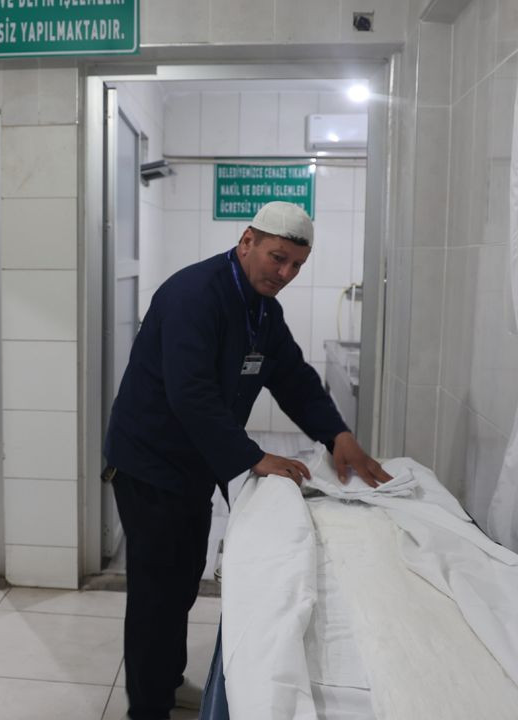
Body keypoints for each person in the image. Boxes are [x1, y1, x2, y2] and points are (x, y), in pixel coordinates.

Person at [103, 201, 391, 720]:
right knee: (157, 594)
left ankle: (164, 681)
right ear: (246, 242)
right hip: (150, 466)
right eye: (278, 258)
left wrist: (337, 435)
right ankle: (148, 709)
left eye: (297, 265)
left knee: (182, 581)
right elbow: (190, 393)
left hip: (193, 468)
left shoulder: (262, 311)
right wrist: (252, 456)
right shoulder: (194, 296)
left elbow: (293, 377)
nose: (285, 274)